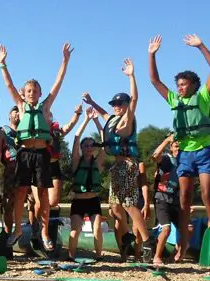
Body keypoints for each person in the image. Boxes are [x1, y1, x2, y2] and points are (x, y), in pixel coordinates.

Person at [148, 33, 210, 264]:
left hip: (205, 151)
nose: (180, 88)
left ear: (193, 85)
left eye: (184, 84)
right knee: (184, 202)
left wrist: (201, 46)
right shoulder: (173, 100)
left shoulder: (203, 97)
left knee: (208, 195)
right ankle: (182, 244)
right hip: (186, 155)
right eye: (178, 84)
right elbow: (154, 80)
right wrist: (152, 55)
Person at [0, 42, 73, 252]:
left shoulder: (45, 106)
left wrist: (65, 61)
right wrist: (3, 65)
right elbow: (9, 86)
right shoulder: (21, 106)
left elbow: (58, 83)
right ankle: (19, 230)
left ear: (39, 93)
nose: (32, 93)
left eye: (35, 90)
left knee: (43, 194)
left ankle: (45, 231)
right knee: (20, 193)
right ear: (24, 93)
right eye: (29, 91)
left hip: (41, 154)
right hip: (24, 154)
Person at [83, 59, 156, 262]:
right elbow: (104, 113)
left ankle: (148, 241)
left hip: (127, 164)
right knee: (115, 207)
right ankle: (126, 237)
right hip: (116, 166)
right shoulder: (113, 118)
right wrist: (91, 102)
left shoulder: (128, 118)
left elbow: (134, 100)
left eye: (119, 104)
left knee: (129, 204)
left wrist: (132, 76)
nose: (116, 106)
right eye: (114, 104)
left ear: (125, 105)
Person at [68, 108, 105, 260]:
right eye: (86, 146)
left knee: (97, 229)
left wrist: (97, 120)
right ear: (82, 149)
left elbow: (104, 141)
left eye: (91, 145)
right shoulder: (77, 162)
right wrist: (86, 120)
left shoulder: (98, 163)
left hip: (93, 201)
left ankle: (98, 256)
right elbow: (76, 138)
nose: (89, 148)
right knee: (76, 230)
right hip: (78, 201)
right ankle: (71, 256)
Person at [45, 106, 83, 247]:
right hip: (39, 167)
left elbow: (68, 127)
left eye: (49, 115)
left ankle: (49, 230)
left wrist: (77, 114)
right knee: (38, 203)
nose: (48, 117)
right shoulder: (36, 129)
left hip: (54, 167)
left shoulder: (56, 130)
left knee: (53, 201)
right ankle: (39, 231)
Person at [150, 134, 181, 265]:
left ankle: (176, 254)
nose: (179, 149)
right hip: (161, 198)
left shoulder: (184, 162)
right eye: (176, 146)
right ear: (171, 147)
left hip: (175, 200)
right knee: (166, 229)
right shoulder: (165, 159)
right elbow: (154, 156)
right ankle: (157, 256)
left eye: (181, 147)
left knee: (188, 228)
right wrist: (166, 140)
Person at [0, 106, 21, 237]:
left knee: (33, 201)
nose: (18, 114)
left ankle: (35, 234)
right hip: (11, 168)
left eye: (19, 111)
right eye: (15, 111)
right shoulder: (3, 131)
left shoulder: (27, 130)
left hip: (28, 167)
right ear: (9, 115)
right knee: (8, 203)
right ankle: (7, 234)